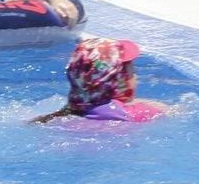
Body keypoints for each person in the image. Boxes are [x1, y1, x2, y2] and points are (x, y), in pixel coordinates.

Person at [32, 38, 166, 124]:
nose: (136, 77)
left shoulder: (59, 116)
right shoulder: (136, 113)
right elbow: (172, 111)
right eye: (132, 71)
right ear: (119, 81)